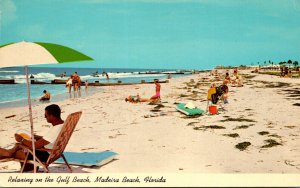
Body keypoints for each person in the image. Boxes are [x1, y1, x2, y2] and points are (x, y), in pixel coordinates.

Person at [0, 104, 64, 172]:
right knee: (18, 147)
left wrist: (21, 139)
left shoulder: (55, 129)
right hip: (54, 153)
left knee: (16, 152)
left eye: (46, 115)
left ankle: (10, 152)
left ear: (52, 116)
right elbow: (52, 139)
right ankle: (11, 151)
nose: (45, 117)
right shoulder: (63, 125)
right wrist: (38, 137)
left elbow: (35, 146)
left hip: (45, 155)